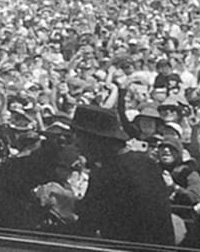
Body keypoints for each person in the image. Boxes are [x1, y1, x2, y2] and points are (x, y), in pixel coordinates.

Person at [71, 103, 175, 244]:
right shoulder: (146, 163)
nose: (76, 143)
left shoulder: (108, 173)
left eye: (80, 136)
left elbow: (87, 223)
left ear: (96, 140)